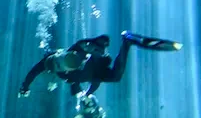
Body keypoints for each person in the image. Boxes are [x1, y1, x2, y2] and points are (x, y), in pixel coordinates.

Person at [19, 31, 181, 98]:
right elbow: (93, 78)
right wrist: (25, 86)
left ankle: (126, 40)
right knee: (116, 76)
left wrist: (94, 47)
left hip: (95, 59)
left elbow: (33, 72)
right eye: (58, 66)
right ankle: (127, 42)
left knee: (92, 68)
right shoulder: (64, 70)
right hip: (94, 65)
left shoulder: (75, 51)